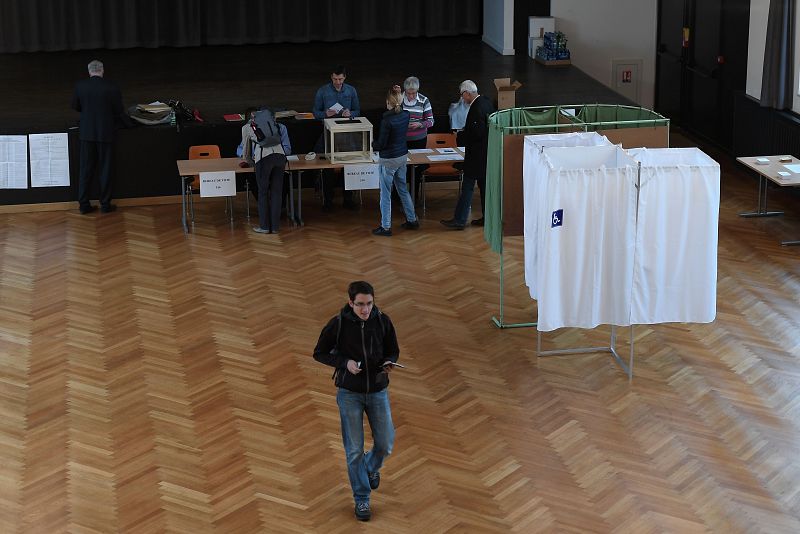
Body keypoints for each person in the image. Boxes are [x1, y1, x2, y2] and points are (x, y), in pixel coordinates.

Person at [313, 281, 400, 522]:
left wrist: (389, 362)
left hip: (378, 391)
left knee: (385, 444)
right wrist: (345, 363)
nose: (365, 309)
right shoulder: (338, 324)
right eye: (360, 304)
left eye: (369, 303)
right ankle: (362, 498)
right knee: (353, 451)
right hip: (349, 394)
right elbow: (319, 352)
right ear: (350, 303)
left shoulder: (382, 321)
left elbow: (393, 350)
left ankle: (370, 468)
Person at [71, 59, 127, 214]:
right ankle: (105, 205)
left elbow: (76, 106)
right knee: (105, 169)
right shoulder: (112, 87)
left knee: (85, 170)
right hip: (105, 133)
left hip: (86, 133)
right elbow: (118, 110)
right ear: (102, 70)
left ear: (89, 71)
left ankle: (83, 204)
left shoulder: (80, 86)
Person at [441, 80, 495, 229]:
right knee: (485, 189)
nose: (462, 98)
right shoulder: (486, 102)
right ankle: (488, 218)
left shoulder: (476, 107)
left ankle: (459, 220)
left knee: (467, 188)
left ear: (467, 93)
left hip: (476, 156)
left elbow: (477, 133)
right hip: (487, 153)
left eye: (462, 95)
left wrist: (460, 135)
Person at [372, 86, 419, 237]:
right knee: (403, 189)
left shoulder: (386, 121)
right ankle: (412, 220)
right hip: (402, 156)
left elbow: (381, 144)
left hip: (388, 160)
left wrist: (371, 143)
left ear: (388, 102)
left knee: (385, 193)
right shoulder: (406, 114)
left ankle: (385, 227)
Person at [312, 66, 360, 211]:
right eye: (335, 79)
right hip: (328, 132)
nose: (337, 82)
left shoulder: (351, 90)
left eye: (340, 79)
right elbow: (315, 112)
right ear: (331, 77)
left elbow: (357, 111)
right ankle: (328, 200)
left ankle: (348, 199)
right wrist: (325, 113)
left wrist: (350, 113)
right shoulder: (323, 91)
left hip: (347, 134)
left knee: (348, 166)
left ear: (345, 77)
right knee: (328, 167)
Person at [241, 109, 287, 234]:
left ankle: (265, 227)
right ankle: (275, 227)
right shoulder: (272, 123)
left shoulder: (247, 127)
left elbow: (246, 151)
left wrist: (249, 162)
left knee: (263, 193)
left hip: (264, 158)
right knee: (277, 192)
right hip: (280, 157)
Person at [401, 76, 433, 202]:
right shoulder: (399, 99)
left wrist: (420, 124)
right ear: (405, 90)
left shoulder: (424, 100)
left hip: (419, 140)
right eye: (409, 93)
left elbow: (431, 121)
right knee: (401, 169)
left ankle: (414, 196)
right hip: (401, 140)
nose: (411, 96)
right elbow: (392, 117)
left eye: (414, 93)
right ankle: (400, 197)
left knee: (416, 169)